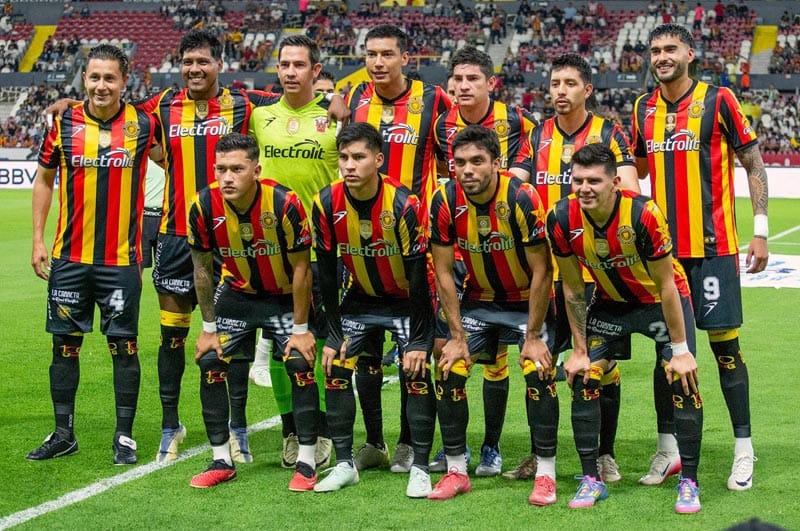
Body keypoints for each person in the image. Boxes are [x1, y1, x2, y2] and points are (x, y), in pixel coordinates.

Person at [632, 23, 768, 491]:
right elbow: (638, 168)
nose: (662, 57)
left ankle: (743, 451)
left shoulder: (720, 99)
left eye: (670, 49)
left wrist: (761, 231)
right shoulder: (642, 108)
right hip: (663, 257)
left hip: (713, 251)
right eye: (655, 50)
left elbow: (752, 161)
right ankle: (667, 450)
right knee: (666, 353)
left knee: (725, 350)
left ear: (690, 52)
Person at [548, 143, 703, 513]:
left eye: (594, 181)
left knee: (682, 378)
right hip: (611, 305)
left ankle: (689, 481)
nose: (584, 188)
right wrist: (580, 350)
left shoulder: (643, 213)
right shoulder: (561, 217)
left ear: (615, 182)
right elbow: (571, 286)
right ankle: (591, 479)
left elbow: (667, 284)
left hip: (659, 303)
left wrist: (681, 352)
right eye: (578, 180)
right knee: (584, 376)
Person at [507, 52, 638, 482]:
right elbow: (516, 183)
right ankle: (538, 454)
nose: (560, 91)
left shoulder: (608, 133)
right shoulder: (537, 134)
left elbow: (630, 188)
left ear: (588, 90)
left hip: (596, 275)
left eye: (569, 83)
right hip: (543, 271)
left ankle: (605, 453)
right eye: (555, 83)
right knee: (538, 362)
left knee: (600, 367)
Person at [28, 44, 160, 465]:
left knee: (124, 349)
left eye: (110, 78)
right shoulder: (63, 123)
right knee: (64, 346)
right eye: (94, 77)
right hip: (69, 260)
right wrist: (37, 239)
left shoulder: (143, 124)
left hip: (121, 262)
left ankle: (124, 436)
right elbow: (44, 180)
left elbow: (174, 164)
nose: (101, 85)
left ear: (125, 81)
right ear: (84, 79)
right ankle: (63, 432)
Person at [428, 125, 556, 504]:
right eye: (460, 163)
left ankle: (545, 473)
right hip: (481, 298)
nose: (467, 170)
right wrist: (457, 336)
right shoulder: (445, 199)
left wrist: (532, 336)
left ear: (497, 164)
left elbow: (542, 271)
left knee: (539, 370)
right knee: (450, 367)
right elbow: (444, 272)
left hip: (524, 300)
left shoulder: (522, 197)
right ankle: (456, 470)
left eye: (477, 161)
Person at [345, 24, 451, 473]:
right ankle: (373, 442)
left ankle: (409, 442)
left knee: (415, 351)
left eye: (387, 53)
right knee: (365, 352)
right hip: (363, 247)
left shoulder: (434, 100)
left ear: (405, 58)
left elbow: (446, 161)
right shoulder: (355, 100)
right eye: (371, 53)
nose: (378, 62)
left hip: (415, 248)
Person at [187, 133, 318, 490]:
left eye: (237, 169)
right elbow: (202, 269)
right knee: (210, 361)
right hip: (238, 292)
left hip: (284, 293)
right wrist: (208, 327)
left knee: (299, 364)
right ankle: (220, 459)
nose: (226, 177)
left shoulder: (284, 202)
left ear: (256, 170)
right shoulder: (202, 205)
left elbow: (303, 268)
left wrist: (302, 328)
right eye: (220, 169)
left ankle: (307, 461)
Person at [312, 122, 436, 497]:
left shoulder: (404, 204)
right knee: (335, 365)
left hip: (406, 299)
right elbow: (327, 273)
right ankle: (346, 464)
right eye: (344, 158)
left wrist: (418, 339)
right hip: (361, 297)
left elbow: (418, 277)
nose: (349, 165)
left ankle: (420, 466)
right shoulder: (326, 202)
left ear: (378, 160)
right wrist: (332, 333)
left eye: (359, 157)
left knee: (415, 371)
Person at [430, 45, 536, 477]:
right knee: (446, 349)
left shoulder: (518, 123)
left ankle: (493, 447)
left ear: (491, 83)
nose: (463, 86)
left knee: (498, 358)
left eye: (472, 78)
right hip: (458, 248)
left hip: (507, 246)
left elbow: (525, 176)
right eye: (457, 79)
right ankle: (452, 447)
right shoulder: (442, 126)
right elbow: (444, 178)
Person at [247, 34, 338, 471]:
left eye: (299, 65)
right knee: (281, 343)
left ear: (315, 71)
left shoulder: (335, 119)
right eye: (284, 64)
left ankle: (319, 430)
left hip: (323, 251)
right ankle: (290, 430)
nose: (289, 71)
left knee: (319, 344)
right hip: (274, 253)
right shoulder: (260, 117)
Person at [141, 160, 165, 271]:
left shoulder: (169, 163)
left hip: (163, 217)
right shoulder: (144, 163)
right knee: (139, 262)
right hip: (145, 217)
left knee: (164, 264)